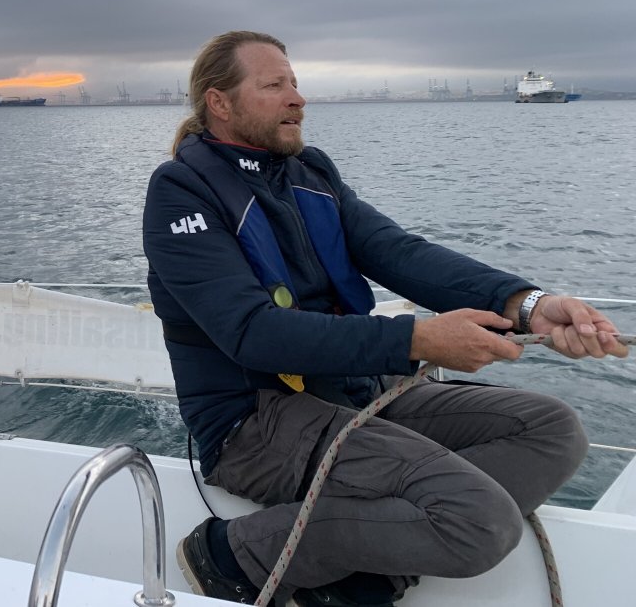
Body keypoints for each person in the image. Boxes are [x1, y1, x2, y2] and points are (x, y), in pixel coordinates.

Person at [142, 31, 628, 606]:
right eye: (274, 85)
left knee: (553, 429)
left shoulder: (310, 175)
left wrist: (528, 305)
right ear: (220, 103)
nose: (297, 98)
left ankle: (364, 566)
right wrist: (418, 338)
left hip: (354, 393)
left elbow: (400, 253)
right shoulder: (181, 193)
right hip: (254, 421)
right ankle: (234, 552)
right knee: (480, 521)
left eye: (295, 82)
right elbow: (253, 333)